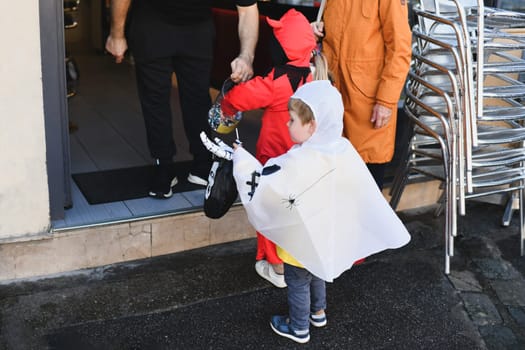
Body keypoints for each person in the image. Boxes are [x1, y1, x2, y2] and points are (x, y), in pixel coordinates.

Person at [200, 80, 410, 343]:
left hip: (301, 239)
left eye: (291, 120)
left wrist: (241, 158)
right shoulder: (341, 149)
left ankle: (298, 326)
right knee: (318, 269)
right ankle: (318, 312)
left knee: (297, 281)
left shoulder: (300, 159)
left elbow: (267, 180)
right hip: (325, 233)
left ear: (312, 126)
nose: (287, 125)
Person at [219, 9, 329, 288]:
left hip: (274, 162)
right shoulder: (315, 74)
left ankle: (277, 267)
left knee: (268, 213)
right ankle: (298, 260)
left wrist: (226, 104)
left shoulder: (279, 80)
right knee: (295, 213)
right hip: (302, 164)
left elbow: (245, 95)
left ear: (281, 47)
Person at [105, 0, 259, 198]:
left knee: (193, 98)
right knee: (160, 99)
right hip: (154, 25)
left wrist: (246, 56)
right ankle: (166, 167)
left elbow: (247, 9)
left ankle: (198, 165)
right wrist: (117, 34)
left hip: (194, 28)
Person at [311, 0, 412, 189]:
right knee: (333, 181)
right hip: (332, 94)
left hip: (369, 101)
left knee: (367, 185)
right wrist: (316, 29)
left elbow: (400, 49)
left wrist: (386, 100)